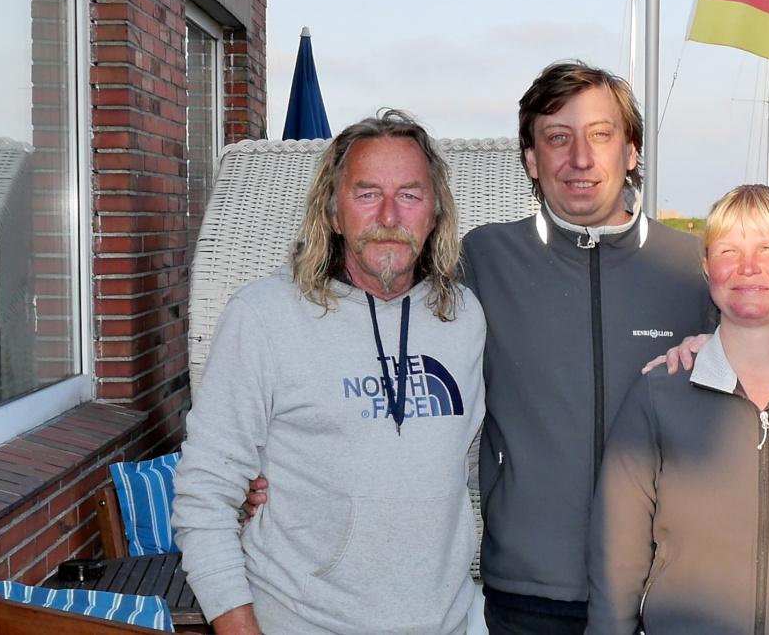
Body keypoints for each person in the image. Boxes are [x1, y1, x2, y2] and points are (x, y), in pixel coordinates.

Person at [173, 111, 485, 635]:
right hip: (301, 621)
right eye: (367, 194)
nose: (389, 214)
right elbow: (204, 493)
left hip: (451, 621)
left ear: (435, 212)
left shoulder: (466, 318)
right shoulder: (264, 316)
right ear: (334, 213)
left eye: (409, 194)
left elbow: (475, 467)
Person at [459, 62, 718, 634]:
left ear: (631, 151)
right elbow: (397, 351)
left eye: (601, 135)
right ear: (531, 159)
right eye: (558, 138)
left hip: (670, 590)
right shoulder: (483, 260)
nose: (581, 159)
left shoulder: (695, 268)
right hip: (529, 595)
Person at [586, 185, 769, 634]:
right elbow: (617, 565)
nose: (748, 267)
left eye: (767, 248)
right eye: (728, 250)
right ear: (707, 269)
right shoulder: (656, 398)